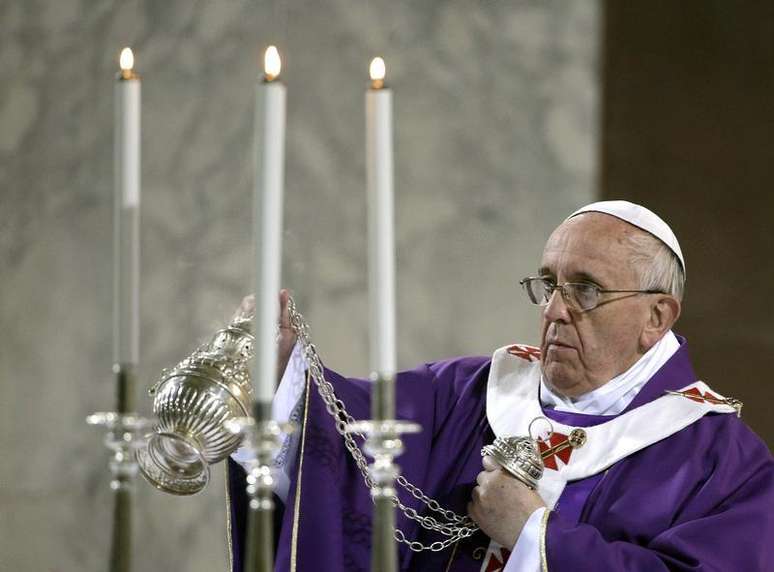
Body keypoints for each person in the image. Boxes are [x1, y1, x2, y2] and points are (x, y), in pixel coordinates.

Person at [226, 200, 774, 572]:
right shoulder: (470, 391)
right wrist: (284, 381)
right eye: (548, 284)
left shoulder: (722, 464)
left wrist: (536, 535)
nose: (555, 310)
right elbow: (346, 442)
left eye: (586, 289)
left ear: (657, 317)